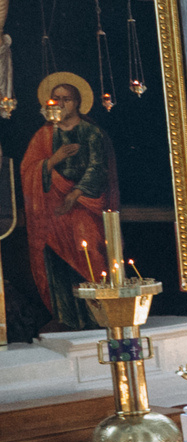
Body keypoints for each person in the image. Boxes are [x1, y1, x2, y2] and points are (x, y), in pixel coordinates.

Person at [19, 74, 117, 329]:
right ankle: (67, 318)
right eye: (56, 99)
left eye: (67, 99)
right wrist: (54, 159)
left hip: (84, 206)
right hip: (51, 209)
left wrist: (74, 195)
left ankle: (99, 316)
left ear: (78, 102)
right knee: (56, 261)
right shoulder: (44, 135)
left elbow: (98, 168)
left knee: (90, 253)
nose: (61, 104)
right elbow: (28, 169)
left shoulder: (91, 132)